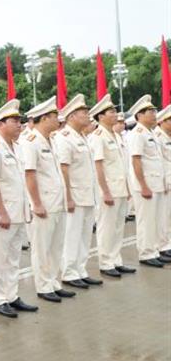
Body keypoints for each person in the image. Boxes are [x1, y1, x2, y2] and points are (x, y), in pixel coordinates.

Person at [0, 99, 38, 318]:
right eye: (14, 120)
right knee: (0, 257)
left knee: (14, 256)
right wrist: (1, 212)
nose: (19, 124)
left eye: (19, 120)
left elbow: (19, 181)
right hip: (2, 214)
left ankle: (12, 295)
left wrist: (27, 207)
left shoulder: (18, 147)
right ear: (1, 124)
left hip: (18, 211)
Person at [22, 96, 73, 300]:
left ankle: (53, 281)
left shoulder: (51, 140)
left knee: (56, 246)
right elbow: (30, 174)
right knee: (42, 247)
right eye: (54, 117)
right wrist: (36, 203)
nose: (58, 121)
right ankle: (43, 286)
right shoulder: (31, 142)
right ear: (43, 119)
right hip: (44, 203)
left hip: (57, 201)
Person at [55, 95, 103, 289]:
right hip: (74, 194)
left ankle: (80, 269)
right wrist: (68, 196)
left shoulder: (82, 136)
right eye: (84, 113)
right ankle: (69, 272)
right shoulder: (64, 138)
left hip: (87, 194)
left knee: (84, 235)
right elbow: (64, 168)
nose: (88, 115)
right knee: (72, 235)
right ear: (72, 116)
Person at [89, 94, 135, 277]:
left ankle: (116, 260)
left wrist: (128, 187)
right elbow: (98, 166)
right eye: (111, 111)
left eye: (115, 110)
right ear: (101, 117)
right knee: (106, 227)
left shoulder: (116, 135)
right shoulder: (98, 136)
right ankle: (106, 263)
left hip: (120, 188)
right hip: (108, 190)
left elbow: (122, 164)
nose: (116, 114)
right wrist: (105, 191)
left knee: (118, 227)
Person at [125, 96, 167, 267]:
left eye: (154, 111)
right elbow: (136, 161)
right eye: (150, 112)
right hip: (146, 185)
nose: (154, 114)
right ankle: (146, 253)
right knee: (146, 220)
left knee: (155, 220)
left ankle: (154, 250)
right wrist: (143, 186)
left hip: (155, 183)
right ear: (139, 115)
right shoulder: (137, 134)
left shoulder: (150, 133)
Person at [155, 105, 171, 257]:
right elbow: (159, 162)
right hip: (164, 181)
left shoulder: (168, 136)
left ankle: (168, 243)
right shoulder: (158, 137)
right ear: (163, 121)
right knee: (164, 216)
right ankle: (163, 245)